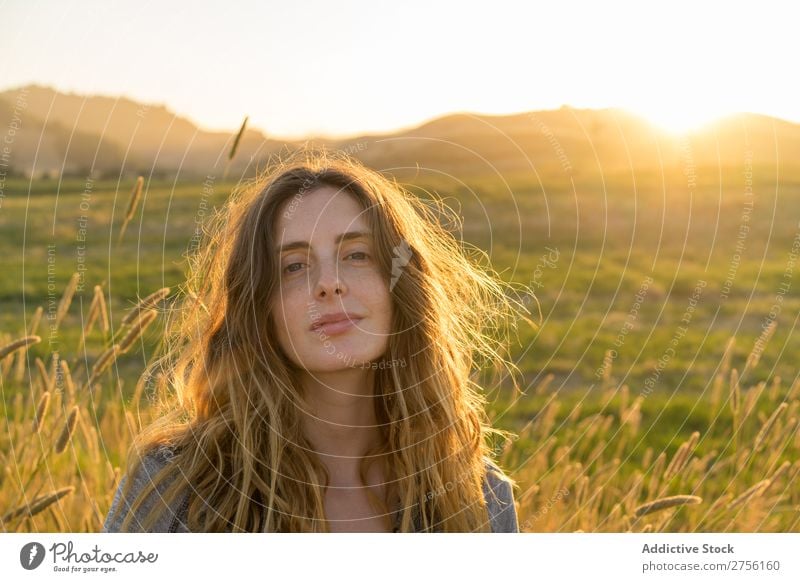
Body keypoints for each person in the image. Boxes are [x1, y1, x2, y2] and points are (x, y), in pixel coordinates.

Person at [103, 145, 531, 533]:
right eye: (293, 266)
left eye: (357, 255)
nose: (329, 284)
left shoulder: (479, 496)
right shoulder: (175, 486)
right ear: (259, 308)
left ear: (400, 286)